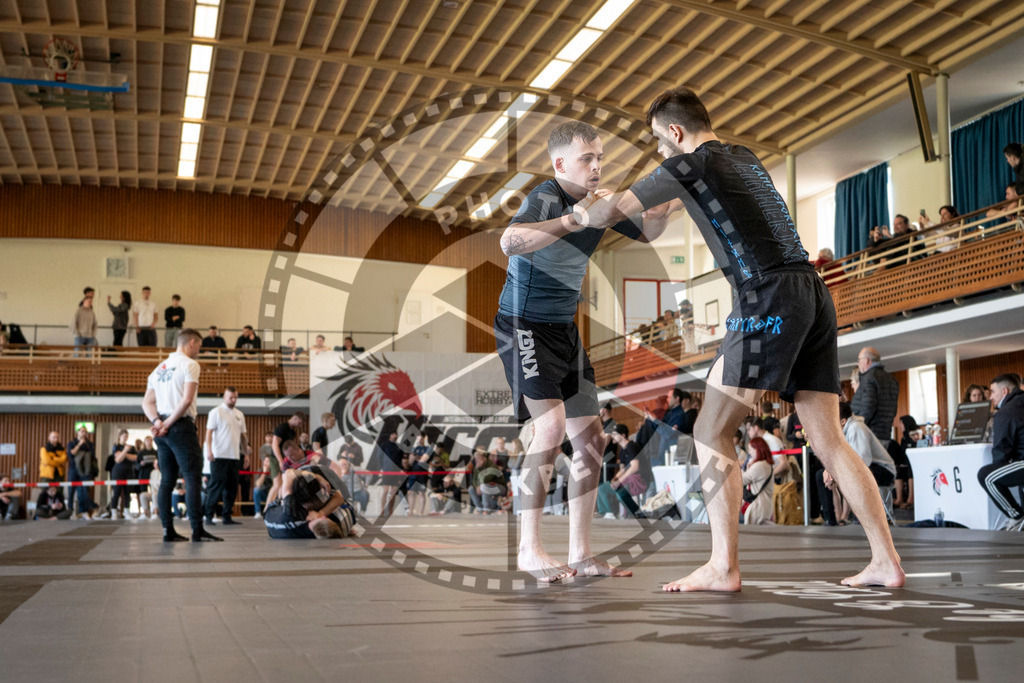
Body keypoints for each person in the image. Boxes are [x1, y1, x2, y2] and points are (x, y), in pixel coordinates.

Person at [576, 87, 904, 590]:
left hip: (766, 294)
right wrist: (652, 213)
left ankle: (723, 565)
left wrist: (577, 206)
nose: (662, 155)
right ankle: (886, 560)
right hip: (811, 292)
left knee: (711, 429)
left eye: (661, 145)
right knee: (829, 438)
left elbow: (607, 214)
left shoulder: (689, 164)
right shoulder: (742, 157)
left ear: (675, 132)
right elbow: (661, 221)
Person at [494, 120, 675, 581]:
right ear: (560, 165)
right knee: (551, 427)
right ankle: (529, 550)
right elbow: (508, 241)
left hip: (563, 331)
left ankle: (580, 552)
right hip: (523, 325)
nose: (596, 167)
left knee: (591, 440)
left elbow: (651, 233)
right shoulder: (548, 196)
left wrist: (662, 208)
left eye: (599, 158)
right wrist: (575, 220)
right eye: (586, 159)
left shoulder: (604, 203)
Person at [142, 328, 222, 542]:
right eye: (199, 347)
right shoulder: (190, 364)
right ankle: (197, 530)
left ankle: (168, 531)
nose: (199, 351)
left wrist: (158, 423)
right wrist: (167, 422)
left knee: (167, 480)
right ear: (192, 343)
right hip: (180, 427)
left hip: (162, 431)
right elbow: (186, 400)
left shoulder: (157, 369)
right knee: (192, 477)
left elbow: (147, 402)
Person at [817, 402, 897, 526]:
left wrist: (839, 472)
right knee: (821, 475)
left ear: (842, 421)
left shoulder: (856, 427)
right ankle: (831, 519)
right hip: (868, 468)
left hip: (884, 471)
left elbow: (863, 460)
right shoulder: (845, 431)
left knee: (849, 475)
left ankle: (854, 516)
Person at [977, 374, 1024, 528]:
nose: (990, 397)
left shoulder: (1006, 412)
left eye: (992, 392)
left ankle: (1016, 516)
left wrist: (999, 467)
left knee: (986, 475)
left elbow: (1001, 451)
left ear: (1004, 391)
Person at [263, 469, 355, 539]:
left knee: (284, 487)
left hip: (271, 511)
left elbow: (287, 473)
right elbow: (339, 499)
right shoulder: (314, 529)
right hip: (271, 523)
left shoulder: (292, 510)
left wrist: (316, 476)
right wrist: (321, 513)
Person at [204, 387, 248, 526]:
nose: (233, 400)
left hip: (234, 457)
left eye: (235, 397)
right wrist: (209, 451)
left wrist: (246, 454)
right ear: (224, 397)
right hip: (219, 456)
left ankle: (227, 516)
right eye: (230, 397)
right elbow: (209, 434)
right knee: (216, 487)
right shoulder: (216, 412)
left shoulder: (240, 414)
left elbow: (243, 437)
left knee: (232, 488)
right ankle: (209, 516)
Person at [596, 424, 651, 519]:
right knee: (602, 488)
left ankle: (636, 512)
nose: (612, 436)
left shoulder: (631, 446)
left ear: (623, 435)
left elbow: (635, 467)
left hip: (640, 479)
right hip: (627, 479)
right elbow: (622, 469)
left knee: (621, 493)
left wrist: (619, 481)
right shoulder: (622, 450)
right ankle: (608, 512)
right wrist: (614, 479)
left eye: (615, 434)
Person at [852, 347, 900, 445]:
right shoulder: (892, 379)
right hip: (885, 433)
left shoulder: (869, 377)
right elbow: (893, 409)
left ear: (867, 360)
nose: (858, 364)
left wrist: (858, 429)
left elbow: (867, 407)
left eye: (859, 360)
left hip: (869, 434)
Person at [66, 426, 99, 518]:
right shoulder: (72, 443)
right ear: (78, 432)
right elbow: (71, 453)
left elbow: (92, 457)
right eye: (82, 431)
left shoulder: (90, 444)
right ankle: (70, 511)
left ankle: (84, 511)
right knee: (71, 491)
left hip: (85, 471)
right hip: (73, 470)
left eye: (85, 432)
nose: (83, 433)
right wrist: (80, 444)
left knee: (84, 492)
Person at [741, 437, 774, 525]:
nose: (749, 452)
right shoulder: (765, 464)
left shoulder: (759, 466)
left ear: (758, 450)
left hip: (758, 506)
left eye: (751, 449)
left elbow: (742, 480)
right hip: (763, 505)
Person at [107, 429, 137, 519]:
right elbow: (118, 459)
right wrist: (125, 451)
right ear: (120, 437)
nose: (126, 438)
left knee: (128, 492)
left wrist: (124, 454)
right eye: (124, 436)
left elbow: (135, 458)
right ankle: (114, 511)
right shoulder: (116, 446)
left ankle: (127, 511)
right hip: (118, 472)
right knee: (116, 492)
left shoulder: (131, 447)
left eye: (127, 436)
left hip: (128, 472)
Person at [39, 431, 67, 508]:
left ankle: (61, 509)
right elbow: (46, 461)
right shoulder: (44, 449)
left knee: (59, 492)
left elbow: (64, 459)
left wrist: (52, 459)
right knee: (44, 492)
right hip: (47, 475)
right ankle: (43, 508)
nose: (55, 439)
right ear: (49, 438)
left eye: (57, 437)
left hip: (59, 474)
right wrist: (58, 461)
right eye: (53, 437)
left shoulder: (62, 449)